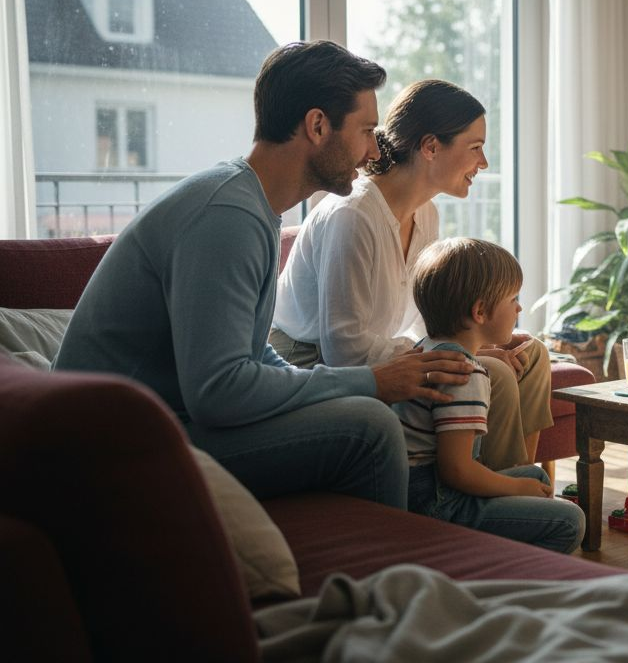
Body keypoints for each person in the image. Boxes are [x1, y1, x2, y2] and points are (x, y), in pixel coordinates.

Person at [54, 41, 474, 508]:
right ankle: (386, 572)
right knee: (369, 429)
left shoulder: (252, 206)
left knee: (355, 409)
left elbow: (252, 356)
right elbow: (219, 391)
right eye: (366, 130)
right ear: (318, 126)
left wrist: (347, 386)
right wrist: (371, 381)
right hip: (111, 450)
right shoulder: (226, 217)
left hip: (162, 422)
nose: (374, 150)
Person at [270, 79, 552, 471]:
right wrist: (453, 355)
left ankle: (522, 485)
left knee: (531, 354)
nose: (484, 163)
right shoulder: (353, 216)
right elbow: (345, 352)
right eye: (475, 148)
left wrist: (470, 343)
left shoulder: (426, 214)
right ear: (431, 146)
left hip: (385, 353)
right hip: (315, 364)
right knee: (498, 375)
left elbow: (427, 320)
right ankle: (498, 500)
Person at [397, 237, 584, 553]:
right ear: (480, 311)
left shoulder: (426, 350)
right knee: (570, 521)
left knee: (535, 475)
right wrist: (514, 487)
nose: (519, 307)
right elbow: (456, 471)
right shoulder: (465, 375)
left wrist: (521, 484)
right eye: (513, 299)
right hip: (440, 505)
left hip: (422, 491)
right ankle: (491, 564)